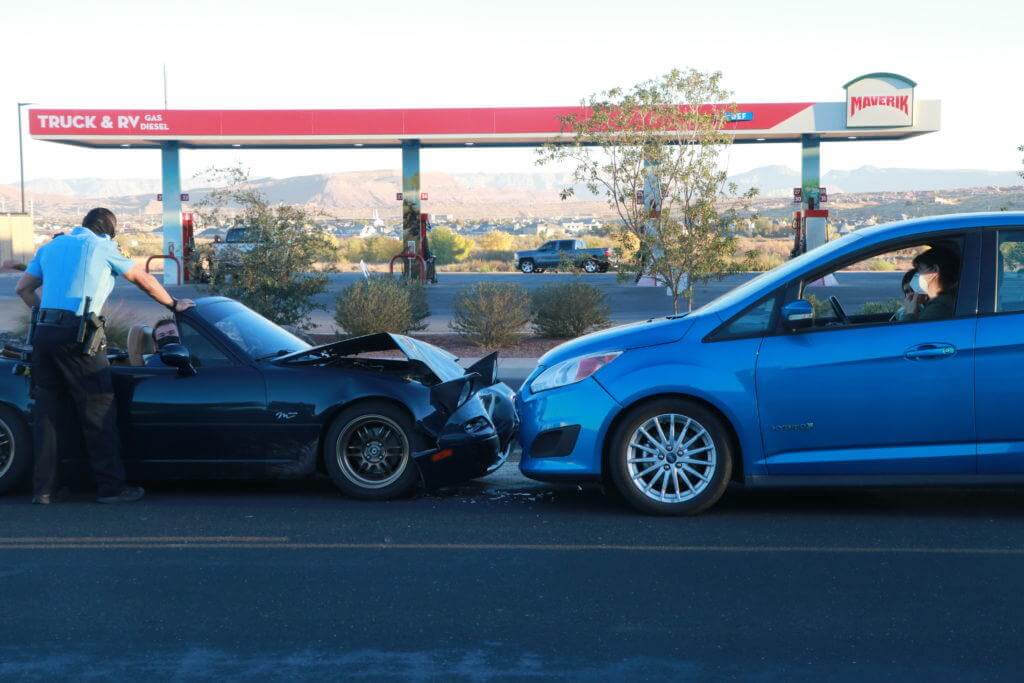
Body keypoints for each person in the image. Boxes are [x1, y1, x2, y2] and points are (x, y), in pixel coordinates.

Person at [14, 208, 195, 504]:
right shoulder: (101, 246)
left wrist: (44, 315)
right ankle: (112, 488)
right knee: (98, 409)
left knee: (48, 413)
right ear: (108, 230)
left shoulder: (50, 246)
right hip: (78, 335)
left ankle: (44, 490)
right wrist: (174, 304)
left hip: (44, 336)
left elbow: (24, 289)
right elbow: (141, 278)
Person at [902, 247, 960, 322]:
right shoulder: (940, 302)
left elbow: (912, 333)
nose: (916, 275)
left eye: (919, 269)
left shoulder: (939, 308)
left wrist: (910, 313)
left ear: (934, 270)